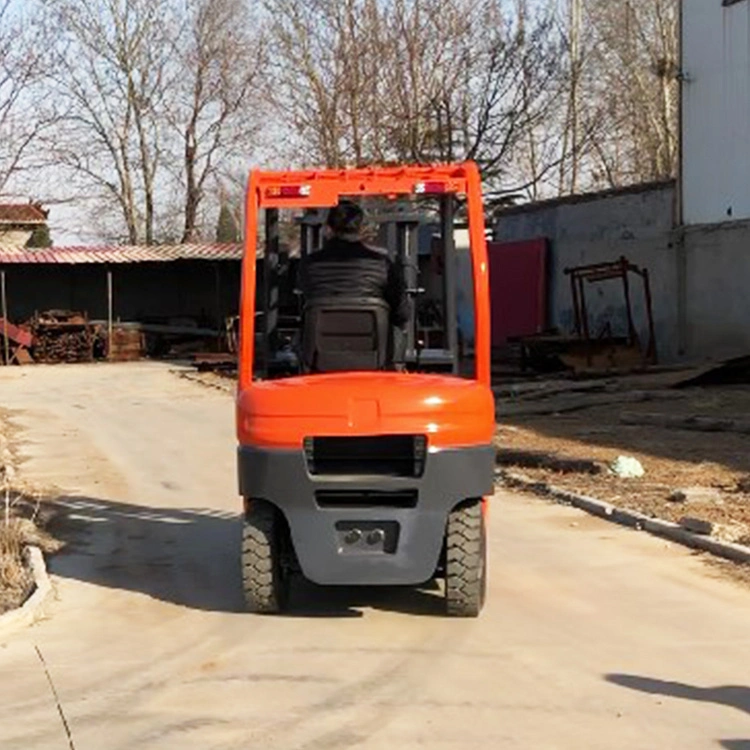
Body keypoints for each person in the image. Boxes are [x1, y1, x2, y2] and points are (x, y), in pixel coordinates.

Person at [298, 200, 410, 355]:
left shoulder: (309, 265)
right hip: (374, 357)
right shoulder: (382, 265)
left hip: (319, 357)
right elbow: (402, 313)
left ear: (328, 228)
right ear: (361, 228)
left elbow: (304, 298)